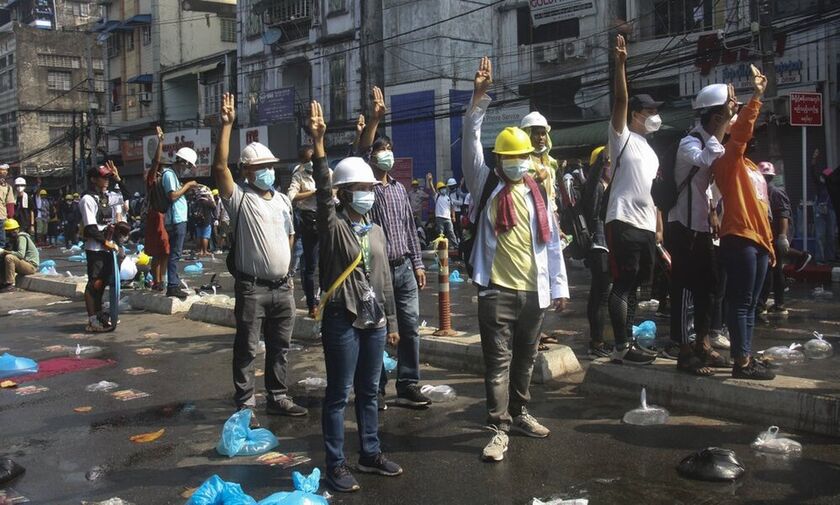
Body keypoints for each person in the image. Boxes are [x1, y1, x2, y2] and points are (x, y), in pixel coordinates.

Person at [463, 57, 569, 462]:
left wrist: (558, 288)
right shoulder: (485, 183)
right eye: (512, 156)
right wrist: (478, 97)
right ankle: (498, 427)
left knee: (525, 359)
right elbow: (471, 138)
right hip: (496, 292)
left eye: (523, 155)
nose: (519, 161)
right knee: (498, 363)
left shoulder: (537, 192)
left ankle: (521, 412)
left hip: (534, 293)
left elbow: (552, 244)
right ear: (499, 158)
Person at [308, 100, 402, 492]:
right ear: (345, 194)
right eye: (361, 189)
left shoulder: (376, 230)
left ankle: (370, 452)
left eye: (371, 188)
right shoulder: (333, 228)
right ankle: (335, 463)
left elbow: (384, 283)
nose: (369, 193)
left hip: (375, 320)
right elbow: (324, 192)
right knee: (337, 395)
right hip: (342, 318)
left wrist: (393, 324)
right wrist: (319, 145)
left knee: (369, 391)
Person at [213, 93, 307, 425]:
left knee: (281, 346)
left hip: (283, 288)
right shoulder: (239, 199)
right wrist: (226, 126)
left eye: (269, 166)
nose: (267, 171)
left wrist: (289, 271)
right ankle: (245, 404)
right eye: (260, 167)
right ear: (248, 171)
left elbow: (291, 234)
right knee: (248, 348)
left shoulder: (282, 199)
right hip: (253, 288)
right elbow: (219, 167)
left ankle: (278, 396)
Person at [358, 85, 431, 410]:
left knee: (411, 328)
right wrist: (374, 120)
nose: (386, 154)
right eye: (380, 150)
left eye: (389, 149)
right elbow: (360, 154)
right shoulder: (365, 189)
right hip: (378, 272)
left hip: (404, 268)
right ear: (373, 157)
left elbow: (410, 229)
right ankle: (377, 390)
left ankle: (408, 383)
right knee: (379, 330)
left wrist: (418, 263)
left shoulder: (400, 190)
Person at [712, 65, 776, 380]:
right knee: (741, 302)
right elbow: (740, 132)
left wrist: (772, 246)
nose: (750, 136)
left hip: (760, 241)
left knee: (750, 305)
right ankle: (740, 361)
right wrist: (757, 98)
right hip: (739, 237)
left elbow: (763, 209)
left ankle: (746, 357)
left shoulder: (750, 166)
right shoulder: (728, 160)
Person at [666, 82, 734, 376]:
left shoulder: (712, 139)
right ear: (716, 118)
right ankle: (684, 352)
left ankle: (703, 343)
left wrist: (714, 212)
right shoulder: (690, 143)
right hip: (681, 226)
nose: (732, 119)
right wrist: (721, 129)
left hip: (703, 226)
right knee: (683, 290)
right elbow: (708, 158)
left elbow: (713, 184)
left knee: (709, 287)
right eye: (728, 114)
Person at [605, 35, 661, 365]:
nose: (655, 115)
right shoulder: (620, 136)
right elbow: (620, 101)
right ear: (637, 114)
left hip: (644, 225)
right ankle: (621, 347)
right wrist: (621, 64)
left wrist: (657, 227)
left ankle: (630, 344)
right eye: (651, 110)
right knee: (623, 283)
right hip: (622, 219)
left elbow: (652, 193)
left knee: (638, 285)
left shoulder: (652, 151)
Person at [756, 161, 812, 315]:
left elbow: (783, 215)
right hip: (770, 234)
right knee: (774, 268)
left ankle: (764, 304)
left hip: (777, 234)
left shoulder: (775, 192)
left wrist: (782, 236)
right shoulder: (764, 191)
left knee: (772, 268)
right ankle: (776, 303)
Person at [580, 146, 613, 357]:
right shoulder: (596, 186)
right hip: (598, 244)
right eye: (608, 163)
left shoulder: (610, 185)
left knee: (601, 295)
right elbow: (592, 181)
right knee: (600, 295)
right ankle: (597, 342)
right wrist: (602, 157)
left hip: (609, 245)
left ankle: (600, 340)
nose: (612, 166)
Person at [80, 162, 121, 332]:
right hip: (96, 247)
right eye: (103, 178)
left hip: (109, 247)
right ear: (93, 179)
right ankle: (92, 319)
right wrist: (105, 242)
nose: (107, 181)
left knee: (104, 282)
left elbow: (124, 197)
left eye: (108, 177)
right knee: (94, 284)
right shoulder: (87, 199)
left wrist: (119, 179)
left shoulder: (107, 197)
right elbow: (90, 227)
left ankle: (100, 314)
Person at [287, 144, 322, 318]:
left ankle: (326, 300)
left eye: (313, 160)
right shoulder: (299, 175)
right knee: (310, 266)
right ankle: (311, 304)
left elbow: (336, 188)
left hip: (326, 217)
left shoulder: (325, 172)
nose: (311, 163)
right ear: (302, 161)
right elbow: (291, 196)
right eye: (308, 160)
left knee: (329, 264)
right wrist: (312, 193)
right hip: (309, 220)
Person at [162, 146, 198, 299]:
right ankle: (172, 286)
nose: (188, 169)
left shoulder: (173, 176)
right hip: (176, 220)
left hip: (179, 219)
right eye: (188, 165)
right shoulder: (169, 175)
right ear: (183, 162)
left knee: (175, 254)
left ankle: (173, 283)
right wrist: (188, 186)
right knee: (175, 255)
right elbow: (172, 196)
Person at [144, 126, 171, 291]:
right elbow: (154, 163)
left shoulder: (166, 179)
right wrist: (160, 143)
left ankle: (162, 280)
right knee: (157, 252)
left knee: (165, 251)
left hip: (165, 216)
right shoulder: (152, 179)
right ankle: (157, 281)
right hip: (156, 216)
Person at [520, 111, 558, 213]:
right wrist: (537, 181)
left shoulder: (550, 161)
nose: (541, 137)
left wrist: (554, 211)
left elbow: (552, 190)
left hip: (550, 212)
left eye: (543, 133)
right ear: (528, 134)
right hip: (530, 212)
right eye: (537, 133)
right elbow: (517, 191)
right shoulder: (521, 162)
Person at [0, 218, 38, 293]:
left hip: (31, 266)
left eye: (11, 230)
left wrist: (4, 251)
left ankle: (11, 284)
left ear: (17, 230)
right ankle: (2, 282)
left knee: (9, 257)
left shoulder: (21, 237)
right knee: (2, 258)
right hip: (23, 263)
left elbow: (20, 254)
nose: (9, 233)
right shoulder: (12, 239)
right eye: (8, 231)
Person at [432, 179, 458, 245]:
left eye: (444, 188)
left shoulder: (448, 197)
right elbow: (432, 189)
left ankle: (456, 245)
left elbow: (452, 208)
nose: (443, 189)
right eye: (441, 188)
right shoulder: (437, 196)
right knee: (441, 233)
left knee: (451, 232)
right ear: (438, 190)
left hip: (448, 218)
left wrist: (453, 217)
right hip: (439, 217)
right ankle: (441, 247)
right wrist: (430, 181)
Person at [0, 164, 14, 249]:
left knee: (2, 241)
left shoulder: (8, 187)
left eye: (6, 170)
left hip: (2, 217)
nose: (4, 172)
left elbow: (10, 203)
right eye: (2, 170)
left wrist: (10, 216)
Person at [212, 188, 230, 252]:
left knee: (223, 234)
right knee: (226, 234)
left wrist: (220, 221)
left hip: (224, 219)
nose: (213, 197)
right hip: (225, 219)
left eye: (214, 195)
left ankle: (219, 248)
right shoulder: (220, 200)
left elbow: (221, 211)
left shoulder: (220, 200)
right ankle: (228, 246)